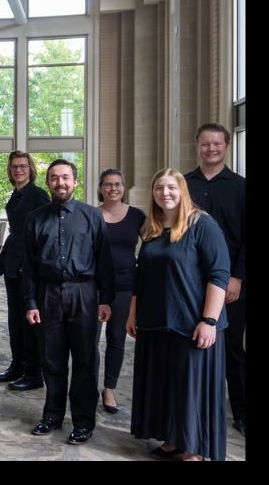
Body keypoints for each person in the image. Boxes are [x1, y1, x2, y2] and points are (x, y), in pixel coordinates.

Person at [128, 168, 230, 461]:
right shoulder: (152, 228)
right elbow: (141, 276)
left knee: (190, 389)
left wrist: (209, 320)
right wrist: (133, 314)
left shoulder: (202, 224)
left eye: (171, 187)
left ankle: (194, 448)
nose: (165, 193)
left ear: (182, 190)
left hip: (191, 323)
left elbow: (219, 275)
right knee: (164, 384)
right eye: (159, 188)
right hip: (156, 321)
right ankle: (173, 439)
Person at [24, 159, 114, 445]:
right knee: (51, 358)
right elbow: (29, 265)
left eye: (65, 177)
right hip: (48, 294)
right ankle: (52, 414)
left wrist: (106, 299)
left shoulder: (92, 216)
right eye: (54, 178)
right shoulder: (35, 219)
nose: (59, 183)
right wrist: (30, 301)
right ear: (48, 182)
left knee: (86, 359)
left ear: (75, 182)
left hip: (84, 294)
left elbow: (104, 260)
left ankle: (83, 421)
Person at [184, 123, 246, 437]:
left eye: (217, 144)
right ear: (197, 146)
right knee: (191, 348)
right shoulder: (182, 184)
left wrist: (237, 277)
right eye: (206, 144)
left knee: (232, 348)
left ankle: (241, 413)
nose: (211, 149)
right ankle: (191, 412)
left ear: (226, 146)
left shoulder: (241, 186)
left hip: (231, 282)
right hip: (189, 282)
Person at [0, 151, 50, 390]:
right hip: (13, 266)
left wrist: (32, 265)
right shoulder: (16, 195)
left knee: (29, 321)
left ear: (30, 169)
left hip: (29, 267)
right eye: (15, 167)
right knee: (14, 320)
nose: (18, 170)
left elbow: (43, 235)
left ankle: (34, 372)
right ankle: (17, 365)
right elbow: (15, 233)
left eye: (23, 166)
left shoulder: (38, 196)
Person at [94, 168, 145, 413]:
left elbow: (151, 248)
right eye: (107, 184)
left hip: (126, 286)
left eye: (117, 184)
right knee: (89, 340)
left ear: (124, 188)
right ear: (100, 188)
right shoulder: (91, 215)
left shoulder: (137, 216)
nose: (113, 188)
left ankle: (109, 389)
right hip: (94, 287)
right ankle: (87, 385)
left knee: (117, 339)